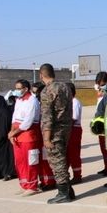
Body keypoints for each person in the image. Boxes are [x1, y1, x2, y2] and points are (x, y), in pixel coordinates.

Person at [39, 63, 75, 204]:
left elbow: (47, 116)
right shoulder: (65, 87)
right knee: (62, 159)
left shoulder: (47, 91)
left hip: (55, 131)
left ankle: (63, 193)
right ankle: (68, 190)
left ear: (42, 75)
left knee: (57, 162)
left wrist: (46, 138)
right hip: (66, 128)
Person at [7, 80, 42, 195]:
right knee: (20, 162)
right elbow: (14, 117)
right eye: (15, 88)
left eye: (18, 88)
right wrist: (12, 132)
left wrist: (15, 132)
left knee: (30, 162)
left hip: (28, 135)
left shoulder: (32, 101)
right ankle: (24, 184)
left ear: (26, 89)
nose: (16, 91)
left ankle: (32, 186)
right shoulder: (19, 100)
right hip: (17, 136)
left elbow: (28, 121)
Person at [94, 71, 107, 187]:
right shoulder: (101, 92)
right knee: (103, 148)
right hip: (101, 123)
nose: (101, 85)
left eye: (102, 83)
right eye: (99, 84)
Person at [0, 94, 15, 181]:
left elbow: (4, 126)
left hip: (3, 138)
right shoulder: (1, 110)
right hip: (2, 138)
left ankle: (7, 173)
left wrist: (0, 137)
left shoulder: (3, 112)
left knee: (5, 157)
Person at [66, 83, 83, 184]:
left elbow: (74, 118)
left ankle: (77, 175)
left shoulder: (74, 102)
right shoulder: (67, 102)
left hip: (74, 130)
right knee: (67, 154)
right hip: (68, 130)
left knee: (74, 154)